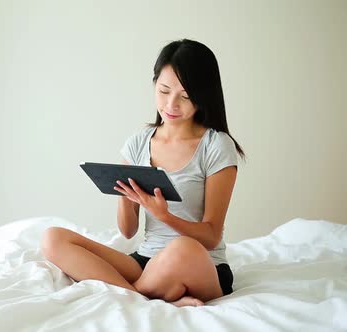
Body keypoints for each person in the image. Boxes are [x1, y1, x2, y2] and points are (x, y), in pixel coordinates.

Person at [41, 39, 245, 307]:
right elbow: (128, 231)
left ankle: (131, 293)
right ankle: (146, 295)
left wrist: (165, 216)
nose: (171, 104)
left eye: (185, 96)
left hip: (200, 264)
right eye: (163, 91)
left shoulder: (216, 145)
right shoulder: (138, 143)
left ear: (203, 96)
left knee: (184, 248)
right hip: (146, 262)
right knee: (53, 238)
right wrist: (126, 194)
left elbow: (211, 235)